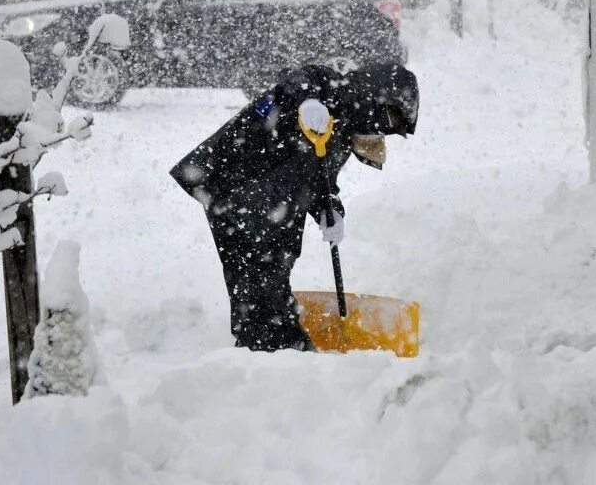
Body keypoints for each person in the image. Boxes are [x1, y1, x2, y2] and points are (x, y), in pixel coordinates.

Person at [170, 63, 419, 351]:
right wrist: (309, 100)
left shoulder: (342, 134)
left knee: (264, 270)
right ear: (375, 94)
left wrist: (329, 208)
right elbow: (298, 78)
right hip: (237, 184)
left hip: (265, 197)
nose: (383, 129)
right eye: (388, 117)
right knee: (264, 267)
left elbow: (320, 180)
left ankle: (264, 345)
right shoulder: (326, 85)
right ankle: (277, 346)